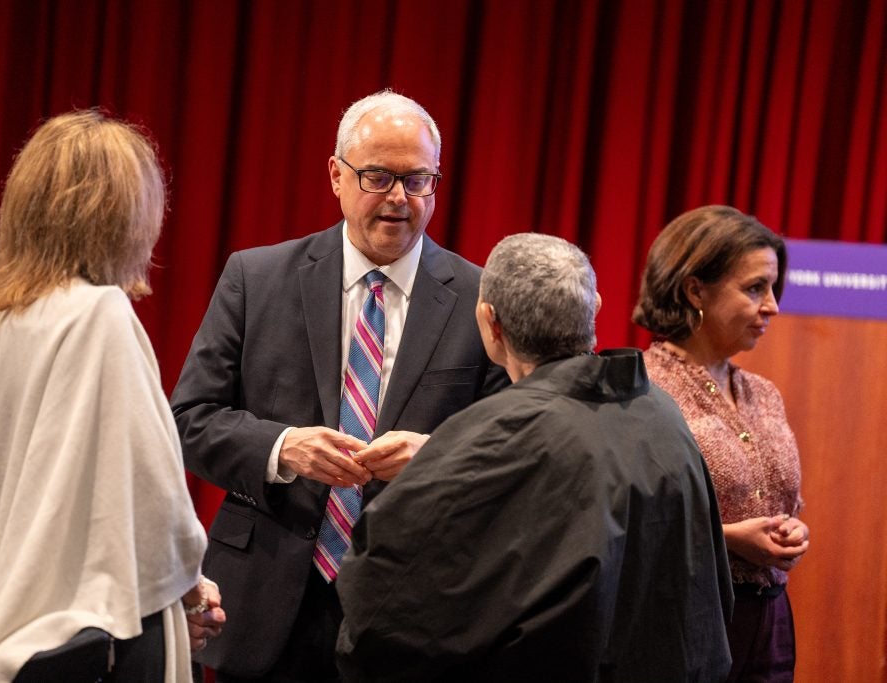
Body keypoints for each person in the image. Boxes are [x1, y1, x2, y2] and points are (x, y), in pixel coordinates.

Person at [171, 90, 509, 681]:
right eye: (378, 177)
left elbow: (512, 449)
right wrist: (282, 449)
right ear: (336, 174)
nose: (400, 199)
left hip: (414, 616)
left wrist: (435, 457)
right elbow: (190, 418)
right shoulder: (257, 277)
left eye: (418, 180)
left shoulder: (480, 299)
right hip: (264, 603)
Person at [335, 233, 734, 682]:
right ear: (594, 308)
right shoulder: (660, 412)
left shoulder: (487, 437)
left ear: (490, 323)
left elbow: (380, 606)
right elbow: (709, 586)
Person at [0, 110, 225, 682]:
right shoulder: (100, 313)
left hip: (15, 610)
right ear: (119, 216)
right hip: (101, 632)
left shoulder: (2, 318)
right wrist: (193, 586)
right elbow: (154, 493)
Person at [632, 205, 809, 682]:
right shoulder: (642, 387)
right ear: (695, 290)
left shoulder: (763, 392)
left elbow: (783, 501)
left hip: (770, 623)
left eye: (773, 288)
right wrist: (729, 540)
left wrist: (792, 532)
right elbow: (622, 522)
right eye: (755, 289)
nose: (772, 305)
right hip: (683, 618)